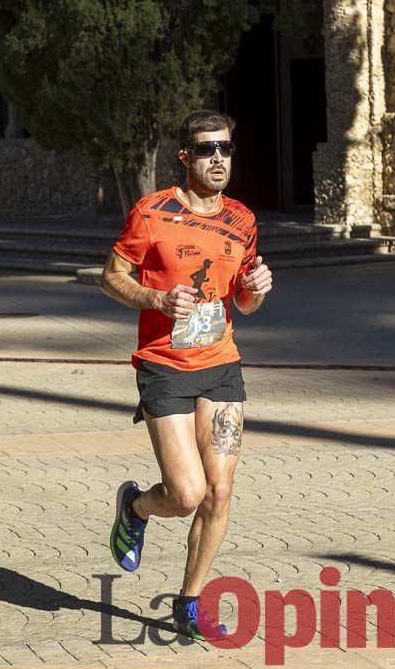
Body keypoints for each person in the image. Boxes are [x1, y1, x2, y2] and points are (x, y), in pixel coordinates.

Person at [99, 110, 273, 640]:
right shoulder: (152, 213)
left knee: (220, 493)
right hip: (165, 366)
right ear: (185, 157)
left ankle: (189, 602)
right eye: (206, 149)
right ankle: (135, 505)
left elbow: (241, 301)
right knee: (187, 494)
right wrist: (155, 297)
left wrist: (256, 289)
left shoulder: (241, 220)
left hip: (221, 365)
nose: (217, 158)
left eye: (224, 148)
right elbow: (110, 278)